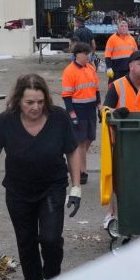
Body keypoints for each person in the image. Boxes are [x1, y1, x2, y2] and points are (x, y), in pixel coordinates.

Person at [0, 74, 82, 280]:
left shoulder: (59, 118)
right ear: (18, 100)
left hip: (52, 187)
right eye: (29, 102)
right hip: (18, 192)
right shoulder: (6, 120)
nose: (35, 107)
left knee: (51, 239)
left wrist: (76, 186)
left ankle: (52, 277)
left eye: (40, 102)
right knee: (26, 241)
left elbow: (72, 151)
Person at [60, 42, 101, 185]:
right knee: (81, 142)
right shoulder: (69, 71)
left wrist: (100, 107)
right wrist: (72, 114)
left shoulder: (90, 68)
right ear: (77, 54)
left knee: (89, 139)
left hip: (90, 110)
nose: (87, 56)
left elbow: (96, 89)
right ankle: (82, 171)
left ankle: (74, 161)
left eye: (88, 53)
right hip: (79, 110)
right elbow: (66, 95)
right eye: (85, 53)